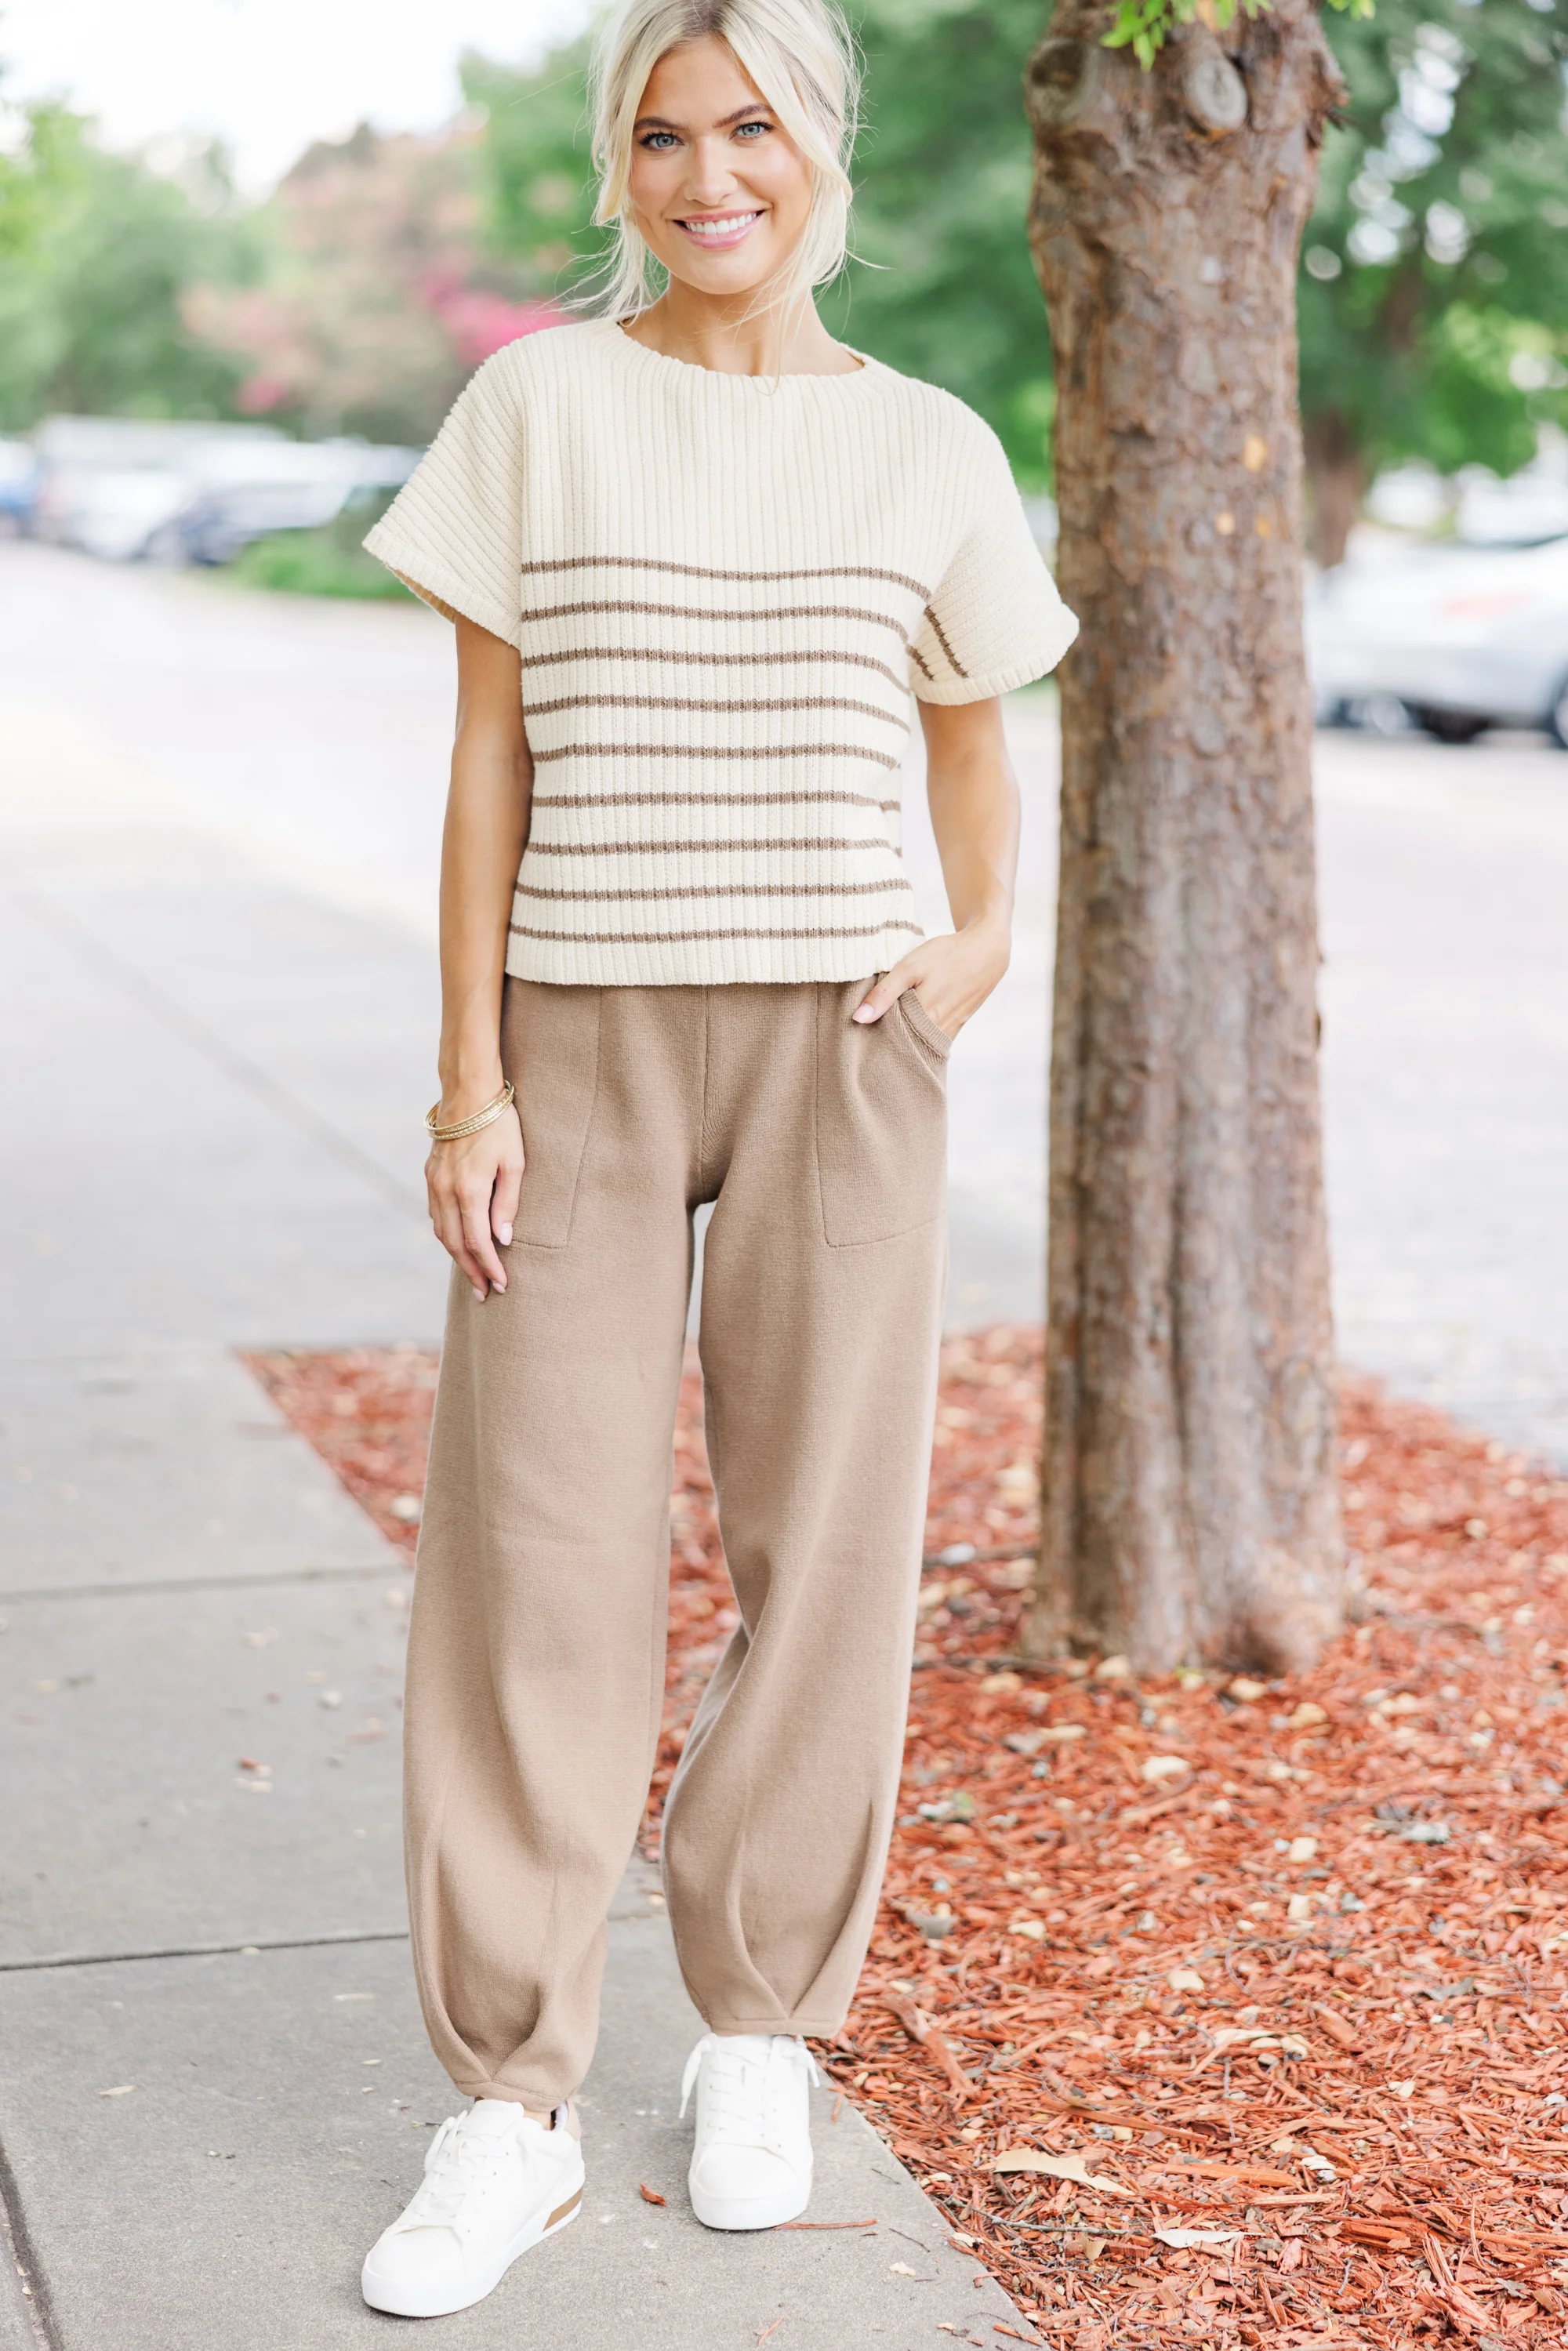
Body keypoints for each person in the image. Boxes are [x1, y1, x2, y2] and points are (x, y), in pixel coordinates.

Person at [356, 0, 1077, 2317]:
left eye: (746, 125)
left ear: (820, 146)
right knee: (534, 1556)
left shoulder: (934, 448)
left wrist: (981, 947)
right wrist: (467, 1076)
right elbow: (486, 767)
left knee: (824, 1543)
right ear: (620, 166)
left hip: (838, 1045)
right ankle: (510, 2098)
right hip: (578, 1030)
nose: (703, 174)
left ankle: (756, 2026)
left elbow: (978, 744)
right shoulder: (538, 409)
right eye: (660, 135)